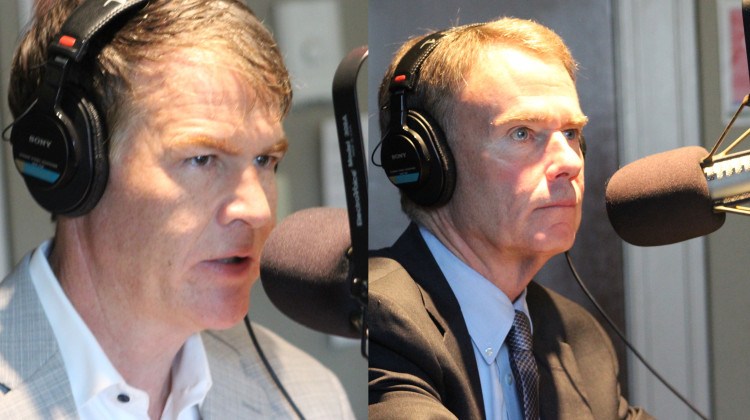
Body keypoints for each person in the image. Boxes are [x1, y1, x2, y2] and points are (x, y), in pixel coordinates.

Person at [0, 0, 354, 419]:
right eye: (202, 159)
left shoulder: (310, 398)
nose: (259, 211)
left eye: (265, 161)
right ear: (73, 170)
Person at [368, 18, 655, 419]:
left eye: (571, 133)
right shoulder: (375, 318)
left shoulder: (575, 334)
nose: (570, 162)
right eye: (523, 133)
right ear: (429, 161)